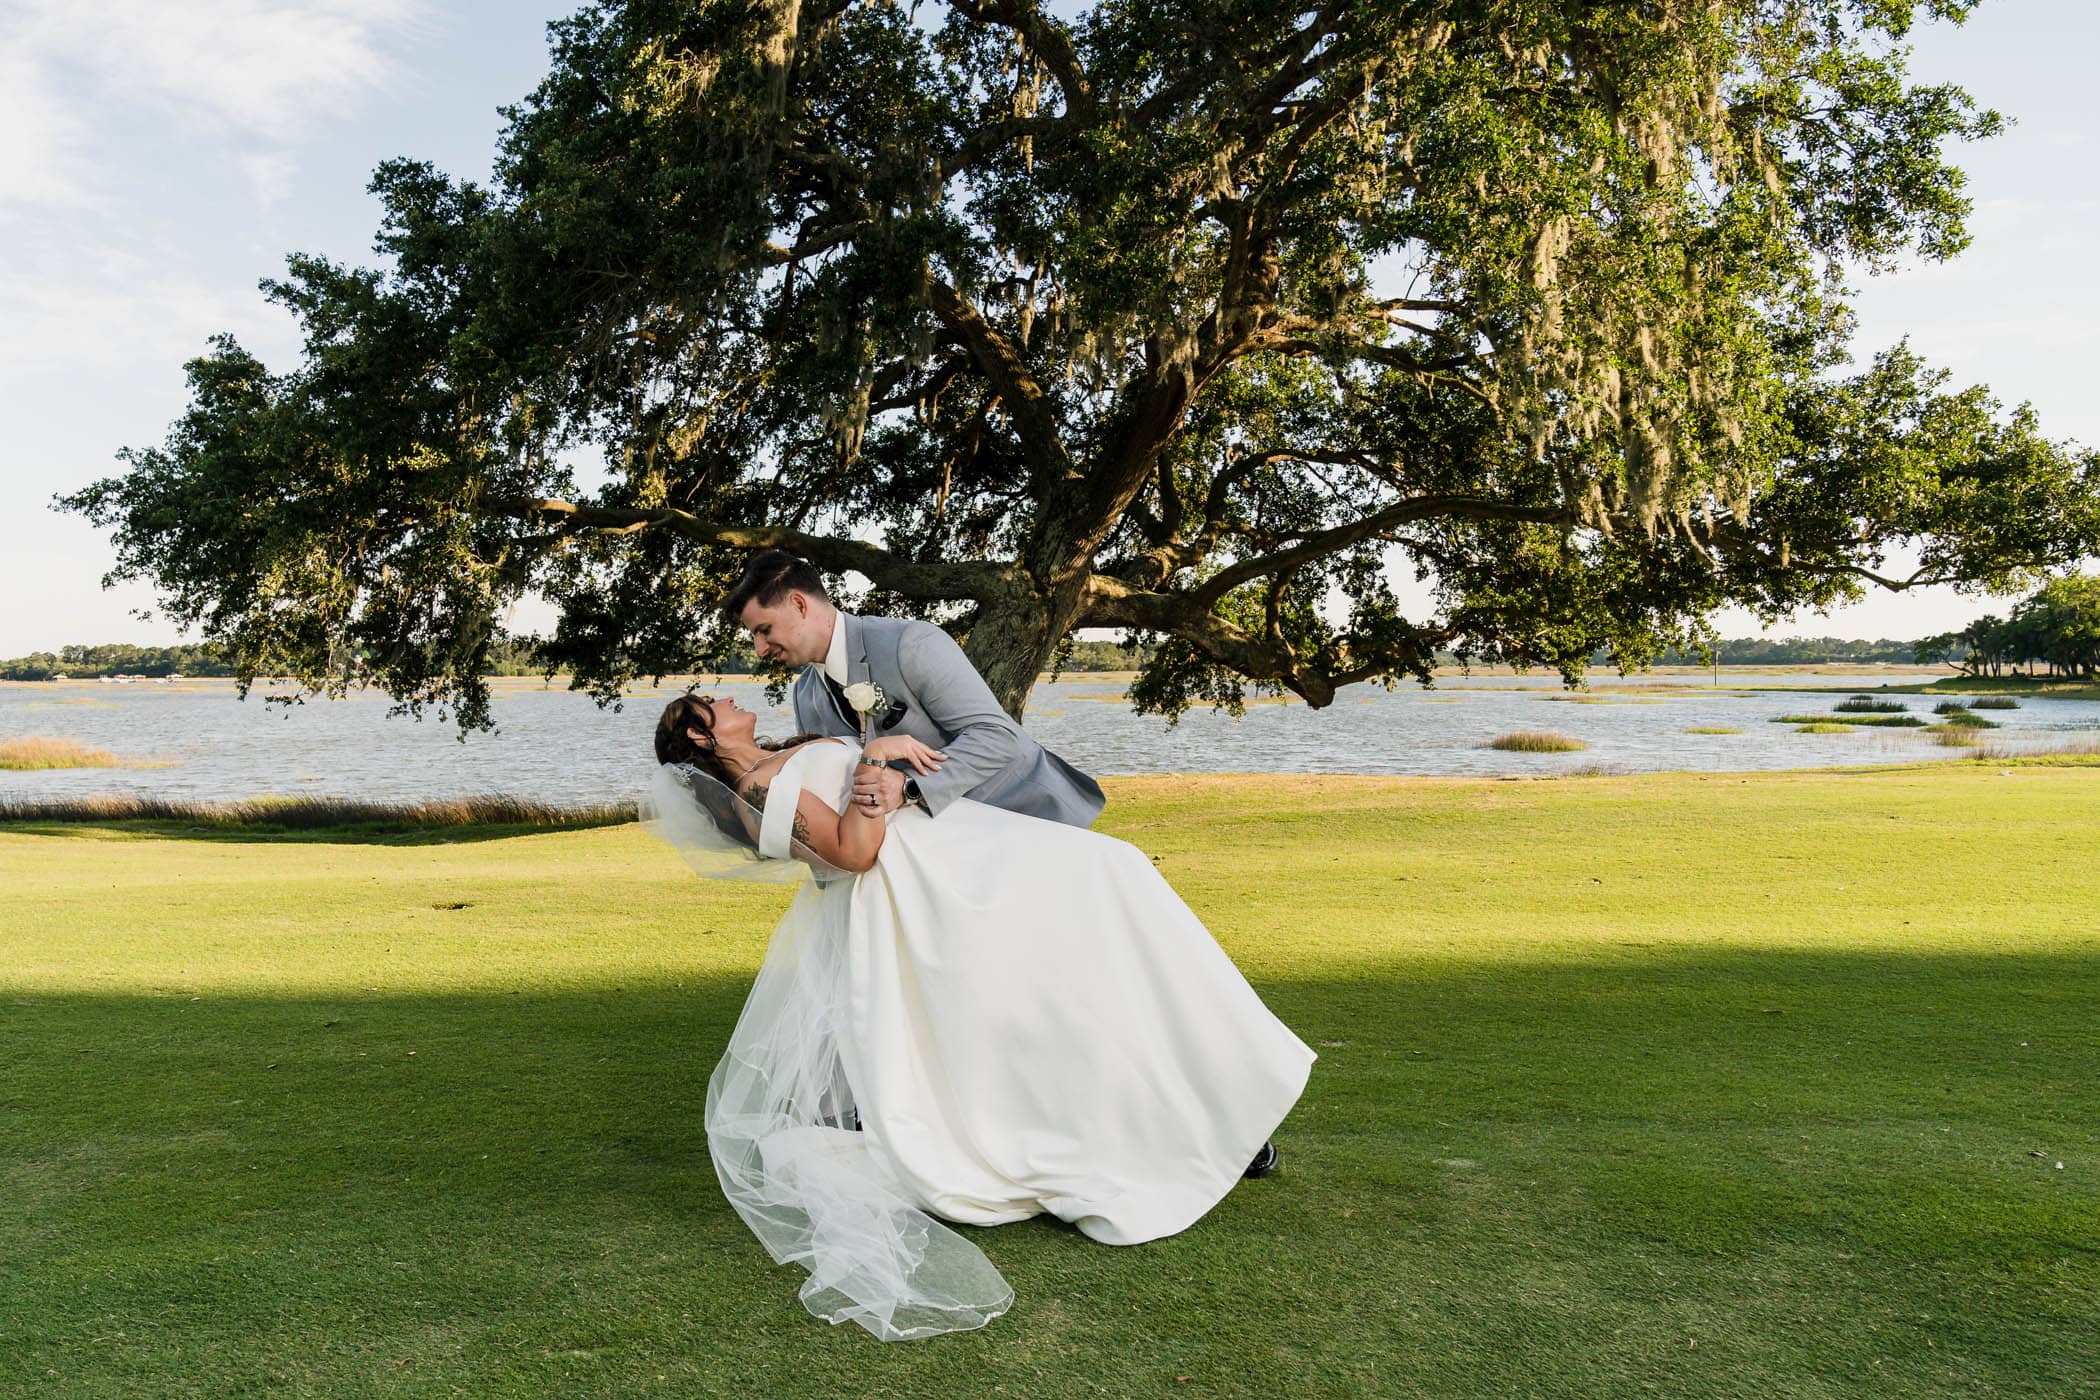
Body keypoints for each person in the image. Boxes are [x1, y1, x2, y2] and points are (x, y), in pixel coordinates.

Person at [645, 689, 1318, 1341]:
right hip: (933, 880)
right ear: (703, 737)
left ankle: (1220, 1092)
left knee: (1118, 898)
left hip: (969, 844)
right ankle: (1163, 1126)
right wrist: (877, 754)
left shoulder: (781, 752)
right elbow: (854, 851)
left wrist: (885, 760)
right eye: (714, 705)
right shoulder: (760, 791)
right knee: (1100, 911)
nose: (731, 700)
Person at [722, 549, 1105, 828]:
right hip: (948, 854)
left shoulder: (911, 644)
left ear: (799, 604)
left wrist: (908, 788)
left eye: (763, 630)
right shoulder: (805, 695)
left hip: (1031, 818)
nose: (759, 649)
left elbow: (997, 737)